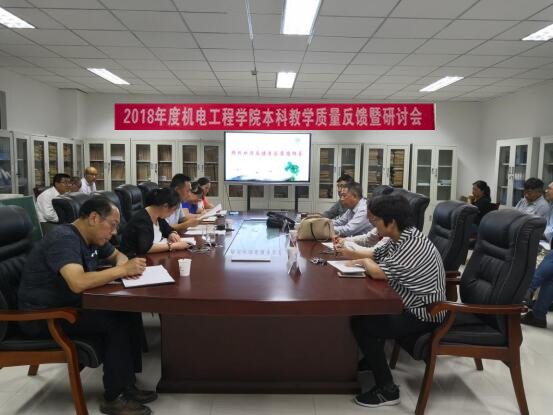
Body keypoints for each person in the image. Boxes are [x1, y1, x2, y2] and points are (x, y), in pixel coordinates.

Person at [17, 196, 155, 415]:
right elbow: (78, 282)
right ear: (93, 218)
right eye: (112, 225)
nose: (114, 232)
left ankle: (127, 385)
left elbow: (117, 255)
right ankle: (114, 398)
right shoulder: (64, 239)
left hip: (68, 306)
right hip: (43, 317)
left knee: (127, 311)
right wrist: (122, 270)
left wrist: (124, 267)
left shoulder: (91, 237)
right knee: (115, 321)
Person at [348, 193, 446, 408]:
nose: (373, 225)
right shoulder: (399, 237)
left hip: (424, 313)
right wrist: (356, 257)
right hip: (406, 304)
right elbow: (374, 255)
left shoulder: (412, 245)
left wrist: (362, 261)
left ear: (391, 222)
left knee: (362, 324)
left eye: (375, 220)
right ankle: (372, 361)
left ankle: (387, 389)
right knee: (367, 313)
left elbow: (378, 272)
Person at [120, 187, 191, 257]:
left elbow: (168, 229)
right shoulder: (142, 220)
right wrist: (174, 246)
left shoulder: (158, 216)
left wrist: (172, 234)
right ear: (165, 206)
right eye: (173, 210)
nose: (172, 213)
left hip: (156, 256)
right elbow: (146, 248)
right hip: (138, 259)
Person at [333, 186, 395, 257]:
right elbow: (368, 239)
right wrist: (345, 240)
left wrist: (348, 246)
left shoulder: (393, 227)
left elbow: (375, 252)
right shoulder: (383, 222)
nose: (369, 219)